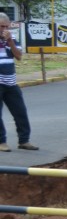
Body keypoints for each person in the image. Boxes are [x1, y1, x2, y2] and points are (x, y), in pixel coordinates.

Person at [0, 13, 37, 152]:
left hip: (10, 82)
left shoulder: (12, 38)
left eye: (6, 26)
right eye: (1, 26)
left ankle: (24, 140)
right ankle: (1, 142)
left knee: (20, 112)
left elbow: (19, 56)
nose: (3, 29)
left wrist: (9, 42)